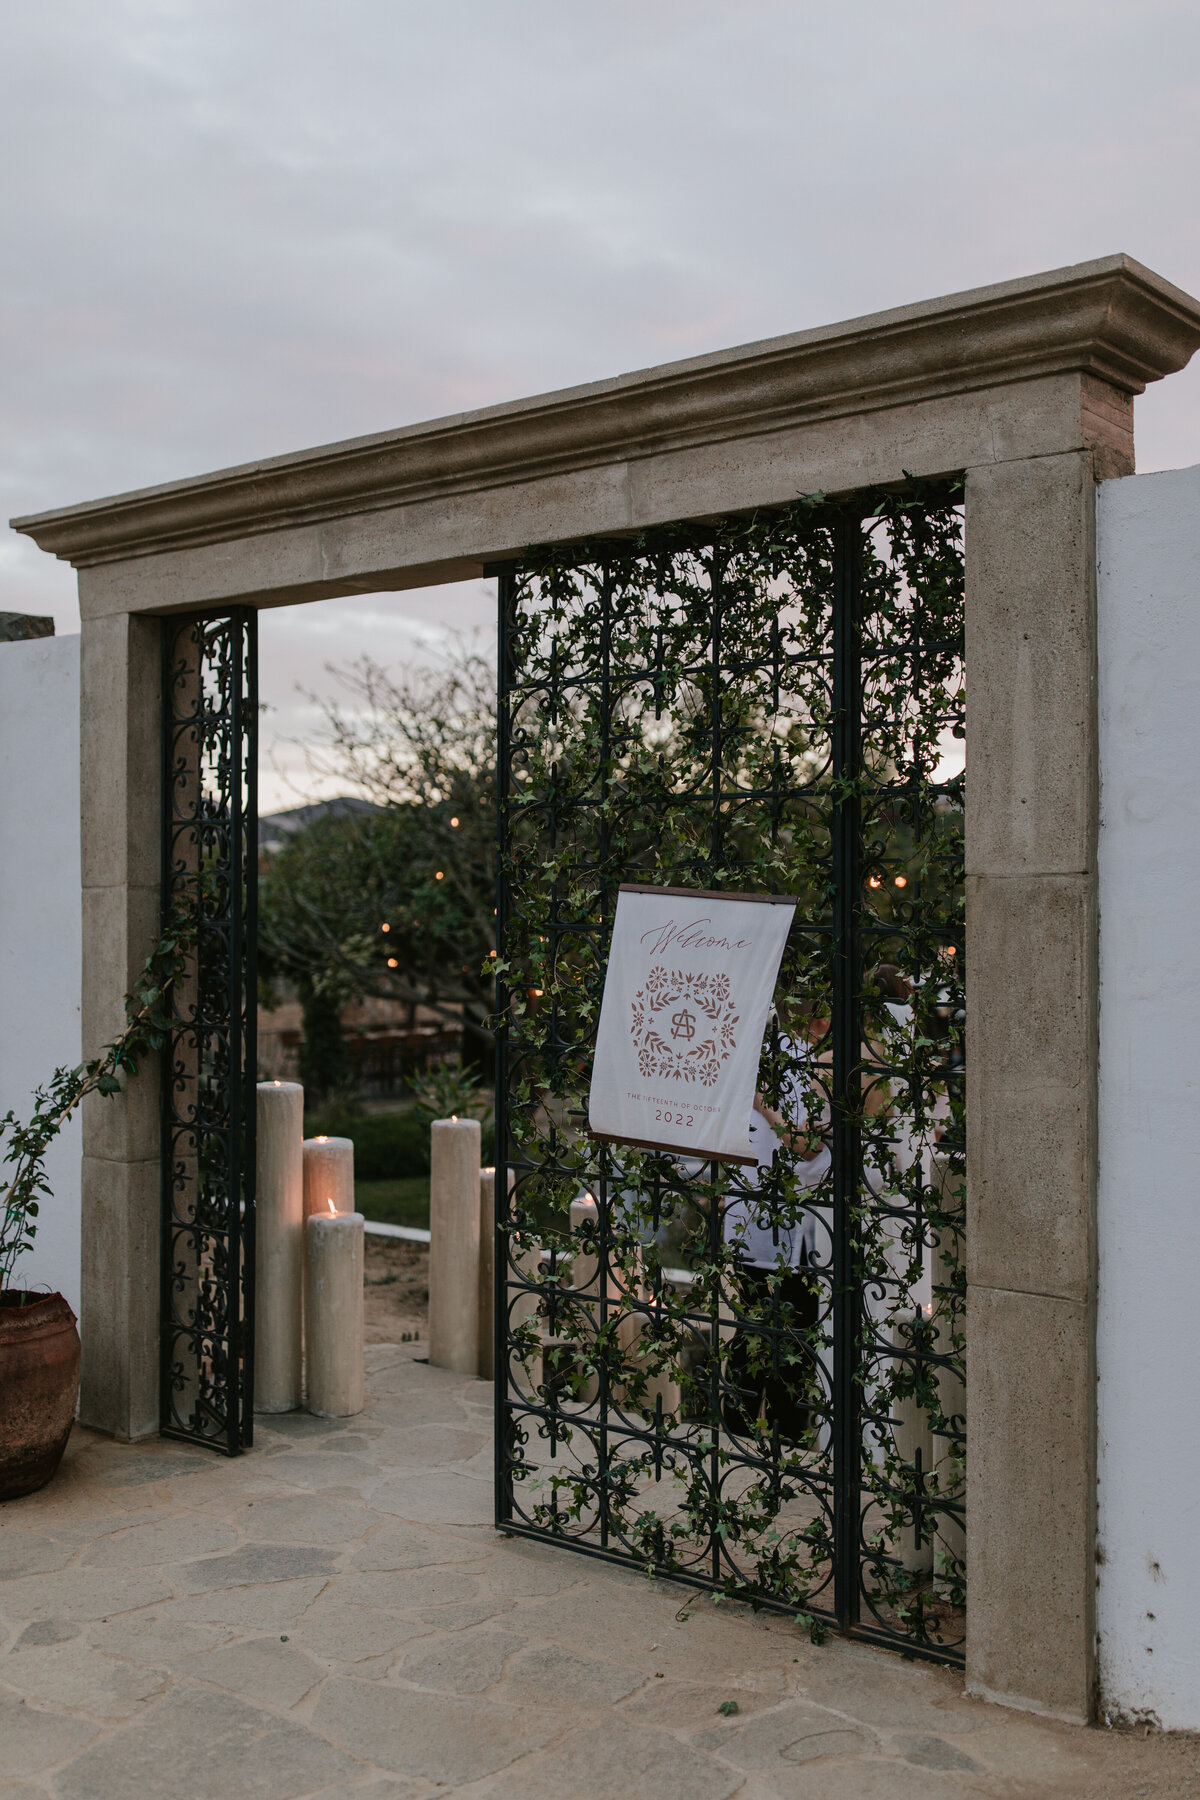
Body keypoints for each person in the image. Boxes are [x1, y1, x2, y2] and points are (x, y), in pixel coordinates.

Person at [720, 1003, 831, 1442]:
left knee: (755, 1329)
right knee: (791, 1337)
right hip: (782, 1221)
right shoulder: (800, 1065)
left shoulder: (739, 1060)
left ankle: (741, 1434)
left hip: (753, 1218)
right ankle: (784, 1437)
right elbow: (808, 1148)